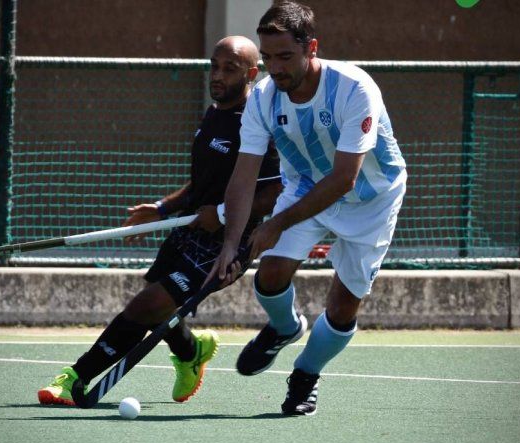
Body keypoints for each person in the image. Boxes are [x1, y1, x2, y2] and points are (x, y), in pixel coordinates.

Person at [38, 36, 282, 406]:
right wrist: (162, 209)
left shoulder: (256, 124)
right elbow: (202, 184)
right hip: (187, 231)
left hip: (225, 245)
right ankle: (191, 351)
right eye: (214, 66)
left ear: (251, 73)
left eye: (229, 69)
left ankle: (76, 378)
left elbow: (273, 192)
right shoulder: (214, 113)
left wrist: (219, 214)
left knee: (146, 305)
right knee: (159, 307)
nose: (217, 75)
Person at [208, 2, 407, 416]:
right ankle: (285, 327)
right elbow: (243, 175)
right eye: (267, 58)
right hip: (305, 187)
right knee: (270, 273)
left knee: (343, 304)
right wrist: (231, 243)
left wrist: (273, 226)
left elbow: (344, 179)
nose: (274, 68)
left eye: (285, 57)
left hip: (372, 197)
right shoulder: (263, 98)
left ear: (311, 48)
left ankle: (306, 374)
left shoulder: (355, 89)